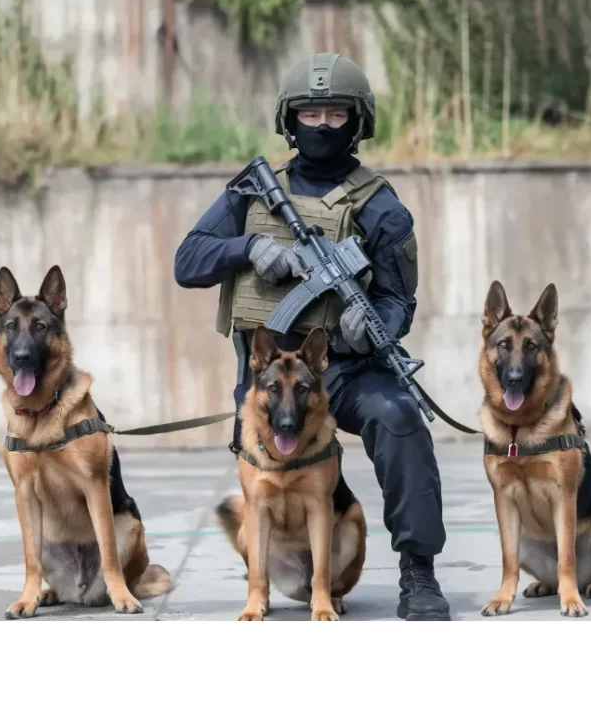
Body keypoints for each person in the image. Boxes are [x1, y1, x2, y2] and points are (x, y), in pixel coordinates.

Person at [174, 53, 451, 624]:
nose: (322, 124)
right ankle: (270, 578)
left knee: (400, 418)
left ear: (359, 120)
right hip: (268, 377)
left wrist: (375, 323)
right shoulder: (253, 193)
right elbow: (188, 260)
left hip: (341, 372)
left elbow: (401, 298)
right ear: (288, 118)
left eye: (336, 113)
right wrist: (247, 248)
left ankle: (418, 570)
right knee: (275, 466)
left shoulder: (380, 207)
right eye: (311, 113)